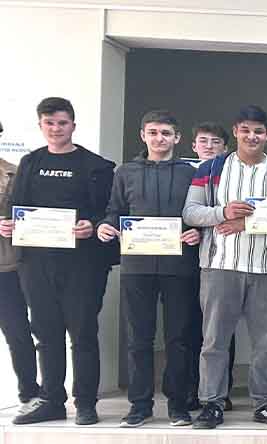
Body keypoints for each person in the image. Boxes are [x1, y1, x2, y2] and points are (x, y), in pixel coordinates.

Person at [183, 104, 267, 429]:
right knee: (214, 341)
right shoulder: (211, 168)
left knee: (266, 342)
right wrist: (222, 213)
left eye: (259, 131)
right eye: (246, 130)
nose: (252, 136)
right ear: (236, 131)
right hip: (220, 267)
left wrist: (248, 223)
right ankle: (211, 403)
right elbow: (191, 212)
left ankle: (265, 403)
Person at [2, 97, 116, 426]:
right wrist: (7, 224)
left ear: (73, 126)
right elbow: (16, 207)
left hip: (83, 264)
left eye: (62, 123)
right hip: (36, 263)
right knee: (46, 334)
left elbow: (110, 210)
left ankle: (86, 403)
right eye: (49, 123)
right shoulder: (30, 163)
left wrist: (92, 225)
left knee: (83, 333)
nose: (56, 129)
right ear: (40, 126)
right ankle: (52, 400)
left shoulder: (96, 166)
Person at [96, 110, 201, 427]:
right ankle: (140, 405)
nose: (159, 138)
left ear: (177, 138)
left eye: (166, 133)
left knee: (178, 338)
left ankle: (178, 405)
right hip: (137, 265)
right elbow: (114, 211)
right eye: (153, 132)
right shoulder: (125, 172)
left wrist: (198, 232)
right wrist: (106, 226)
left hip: (179, 265)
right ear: (143, 135)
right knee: (138, 338)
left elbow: (199, 214)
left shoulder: (190, 173)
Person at [186, 121, 233, 411]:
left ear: (225, 148)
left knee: (220, 329)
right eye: (203, 141)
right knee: (189, 329)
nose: (209, 146)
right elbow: (185, 213)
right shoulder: (183, 173)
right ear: (193, 145)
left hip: (219, 260)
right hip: (181, 260)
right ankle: (192, 390)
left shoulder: (229, 174)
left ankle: (220, 392)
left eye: (216, 142)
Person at [0, 118, 39, 412]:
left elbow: (29, 213)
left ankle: (29, 392)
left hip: (8, 265)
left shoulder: (14, 172)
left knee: (18, 331)